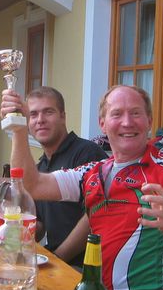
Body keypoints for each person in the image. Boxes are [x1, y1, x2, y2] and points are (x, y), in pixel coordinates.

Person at [1, 84, 163, 290]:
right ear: (103, 124)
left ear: (149, 121)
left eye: (135, 113)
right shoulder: (93, 173)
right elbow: (31, 184)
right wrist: (19, 129)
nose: (127, 122)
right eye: (117, 114)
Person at [15, 86, 107, 266]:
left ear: (63, 116)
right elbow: (39, 225)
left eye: (48, 112)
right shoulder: (40, 168)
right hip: (55, 260)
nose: (40, 120)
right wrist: (12, 240)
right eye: (33, 114)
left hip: (85, 267)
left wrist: (58, 258)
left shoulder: (87, 153)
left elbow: (94, 216)